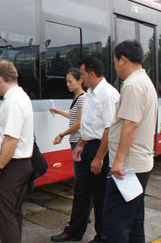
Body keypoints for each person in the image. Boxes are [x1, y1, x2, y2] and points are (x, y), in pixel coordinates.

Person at [51, 57, 119, 243]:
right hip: (87, 146)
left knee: (100, 196)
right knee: (81, 192)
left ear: (91, 73)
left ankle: (103, 236)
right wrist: (80, 144)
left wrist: (99, 157)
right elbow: (87, 124)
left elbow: (108, 129)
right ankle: (74, 232)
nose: (81, 78)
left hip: (100, 149)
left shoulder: (108, 94)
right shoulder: (89, 93)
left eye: (82, 75)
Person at [103, 40, 158, 243]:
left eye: (116, 62)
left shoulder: (133, 85)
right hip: (138, 163)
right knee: (134, 220)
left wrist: (118, 162)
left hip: (128, 167)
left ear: (123, 59)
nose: (116, 68)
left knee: (114, 220)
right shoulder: (145, 81)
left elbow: (130, 126)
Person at [0, 59, 34, 243]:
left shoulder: (13, 102)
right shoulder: (22, 97)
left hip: (12, 166)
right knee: (13, 213)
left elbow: (11, 140)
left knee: (5, 217)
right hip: (21, 165)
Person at [50, 68, 87, 178]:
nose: (67, 84)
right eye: (67, 82)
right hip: (74, 140)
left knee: (80, 175)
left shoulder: (82, 98)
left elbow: (79, 123)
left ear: (80, 81)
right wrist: (58, 112)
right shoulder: (76, 97)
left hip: (78, 141)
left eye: (70, 81)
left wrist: (62, 134)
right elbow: (74, 117)